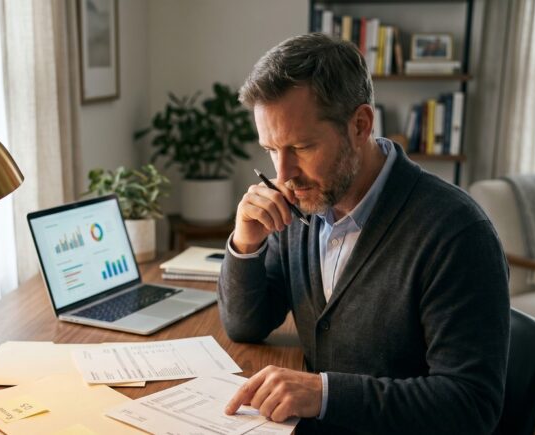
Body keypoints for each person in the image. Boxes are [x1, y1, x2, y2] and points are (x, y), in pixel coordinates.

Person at [218, 33, 510, 434]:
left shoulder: (457, 233)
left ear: (360, 124)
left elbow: (470, 407)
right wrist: (246, 243)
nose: (282, 175)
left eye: (301, 147)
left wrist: (324, 394)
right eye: (271, 149)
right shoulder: (303, 199)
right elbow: (247, 325)